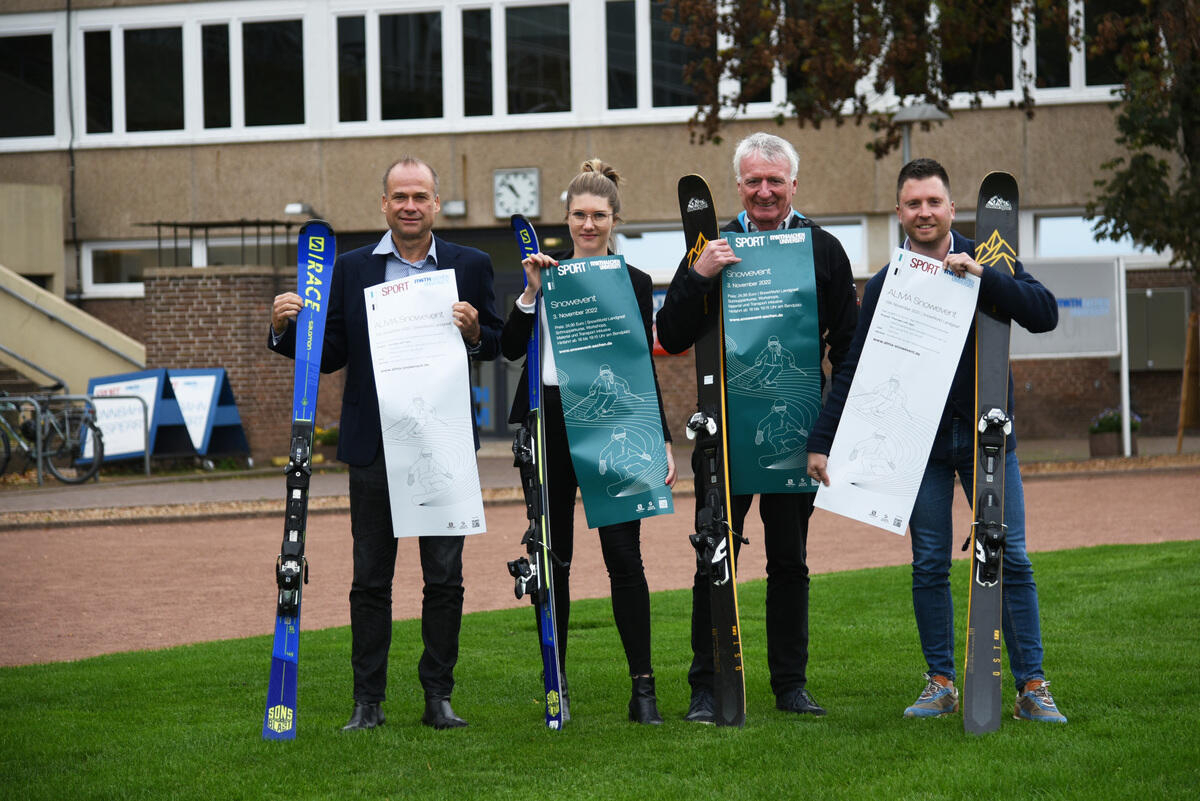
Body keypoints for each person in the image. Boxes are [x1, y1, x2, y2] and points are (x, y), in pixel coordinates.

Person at [806, 157, 1067, 723]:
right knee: (928, 563)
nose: (923, 212)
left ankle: (1032, 686)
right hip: (918, 443)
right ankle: (941, 682)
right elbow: (855, 367)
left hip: (986, 438)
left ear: (952, 207)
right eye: (913, 203)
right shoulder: (887, 282)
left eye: (933, 202)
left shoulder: (989, 257)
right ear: (899, 212)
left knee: (1011, 558)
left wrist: (984, 275)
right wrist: (822, 440)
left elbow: (1045, 314)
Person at [268, 157, 504, 731]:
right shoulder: (351, 269)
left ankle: (438, 697)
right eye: (400, 196)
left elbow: (498, 343)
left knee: (444, 580)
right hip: (374, 446)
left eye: (420, 196)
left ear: (436, 203)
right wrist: (285, 329)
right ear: (383, 204)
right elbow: (330, 355)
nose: (410, 206)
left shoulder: (470, 264)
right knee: (371, 581)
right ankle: (367, 702)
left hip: (443, 443)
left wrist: (475, 331)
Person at [656, 132, 859, 721]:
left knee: (790, 562)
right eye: (753, 181)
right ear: (738, 185)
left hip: (797, 430)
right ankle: (707, 686)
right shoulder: (711, 246)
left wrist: (826, 431)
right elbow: (670, 335)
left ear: (794, 184)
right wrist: (699, 276)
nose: (764, 191)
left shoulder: (823, 249)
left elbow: (848, 347)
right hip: (722, 434)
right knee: (714, 556)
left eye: (775, 180)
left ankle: (790, 686)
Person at [501, 159, 677, 724]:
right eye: (579, 214)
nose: (588, 224)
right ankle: (556, 681)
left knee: (625, 558)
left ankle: (643, 689)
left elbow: (640, 366)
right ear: (567, 218)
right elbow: (509, 349)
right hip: (549, 421)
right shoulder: (544, 273)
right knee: (553, 557)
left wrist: (660, 437)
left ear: (614, 219)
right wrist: (530, 295)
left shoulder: (635, 282)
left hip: (612, 421)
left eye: (599, 215)